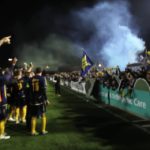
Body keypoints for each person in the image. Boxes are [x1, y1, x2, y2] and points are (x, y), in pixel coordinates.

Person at [30, 67, 49, 136]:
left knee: (33, 116)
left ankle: (32, 131)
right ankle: (43, 130)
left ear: (35, 72)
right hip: (40, 99)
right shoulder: (42, 78)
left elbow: (29, 89)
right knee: (43, 115)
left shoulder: (31, 79)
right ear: (41, 72)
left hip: (32, 99)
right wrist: (46, 99)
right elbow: (43, 90)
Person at [0, 68, 10, 139]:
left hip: (2, 100)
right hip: (1, 102)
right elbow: (7, 76)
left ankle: (2, 132)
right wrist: (12, 65)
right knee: (2, 118)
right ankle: (1, 134)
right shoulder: (1, 80)